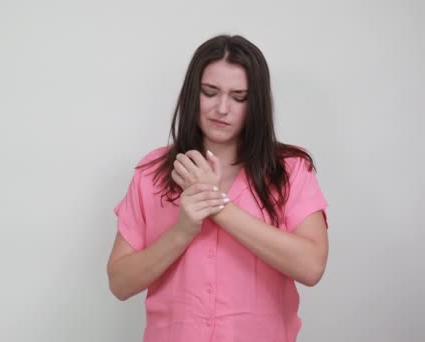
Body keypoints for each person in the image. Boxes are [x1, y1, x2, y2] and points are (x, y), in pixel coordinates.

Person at [106, 34, 329, 342]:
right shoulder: (152, 173)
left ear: (257, 104)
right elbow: (119, 282)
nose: (222, 108)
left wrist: (218, 206)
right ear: (191, 94)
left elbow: (311, 266)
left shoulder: (289, 170)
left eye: (239, 97)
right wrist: (181, 231)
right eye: (210, 92)